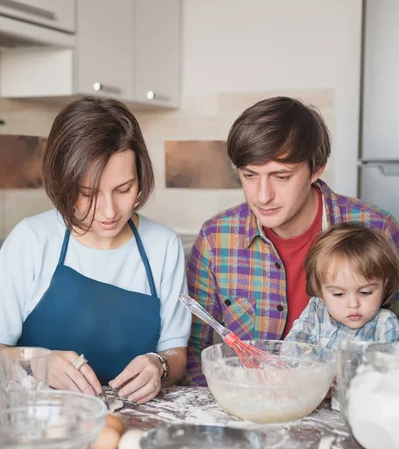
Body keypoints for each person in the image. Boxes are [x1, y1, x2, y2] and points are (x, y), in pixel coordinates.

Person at [186, 96, 399, 385]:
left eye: (281, 176)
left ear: (317, 168)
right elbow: (192, 351)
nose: (262, 196)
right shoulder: (216, 238)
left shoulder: (378, 229)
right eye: (249, 175)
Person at [0, 96, 191, 403]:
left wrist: (160, 365)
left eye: (124, 189)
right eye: (87, 193)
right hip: (39, 422)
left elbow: (176, 353)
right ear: (63, 182)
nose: (108, 210)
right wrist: (37, 363)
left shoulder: (163, 246)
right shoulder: (31, 241)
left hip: (136, 421)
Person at [285, 223, 399, 347]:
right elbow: (293, 346)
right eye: (338, 294)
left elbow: (387, 364)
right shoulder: (317, 310)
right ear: (320, 291)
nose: (353, 304)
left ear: (385, 286)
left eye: (365, 292)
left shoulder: (385, 324)